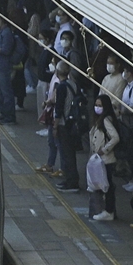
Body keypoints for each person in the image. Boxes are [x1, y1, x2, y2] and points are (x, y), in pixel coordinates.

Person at [89, 95, 120, 221]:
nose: (97, 107)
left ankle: (109, 210)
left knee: (107, 185)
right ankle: (109, 210)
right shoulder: (99, 119)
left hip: (106, 159)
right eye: (96, 105)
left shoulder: (106, 120)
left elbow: (115, 137)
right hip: (99, 158)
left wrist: (105, 149)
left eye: (100, 105)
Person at [53, 61, 81, 192]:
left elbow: (58, 109)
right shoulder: (73, 85)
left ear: (57, 72)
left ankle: (71, 182)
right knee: (70, 153)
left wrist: (55, 126)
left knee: (66, 154)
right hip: (73, 123)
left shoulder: (61, 87)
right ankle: (70, 179)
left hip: (64, 124)